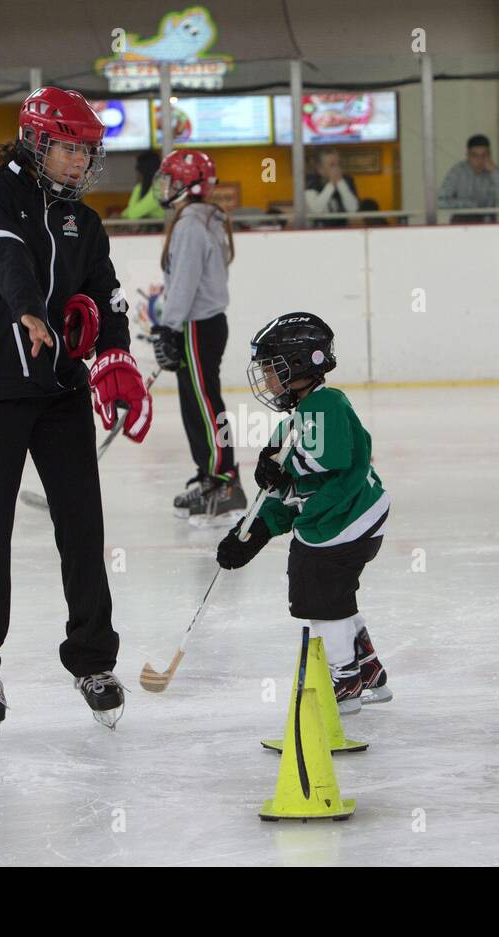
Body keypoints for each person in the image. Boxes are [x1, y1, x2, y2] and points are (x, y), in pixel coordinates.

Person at [0, 87, 152, 740]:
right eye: (70, 149)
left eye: (87, 152)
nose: (79, 163)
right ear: (37, 142)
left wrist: (116, 357)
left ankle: (92, 661)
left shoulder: (82, 222)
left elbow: (108, 294)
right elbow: (6, 259)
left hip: (60, 388)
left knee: (82, 526)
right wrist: (29, 310)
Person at [215, 313, 393, 713]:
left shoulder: (326, 404)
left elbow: (332, 459)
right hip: (344, 521)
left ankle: (343, 682)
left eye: (271, 369)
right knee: (335, 597)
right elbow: (287, 492)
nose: (266, 379)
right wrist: (254, 532)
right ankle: (367, 669)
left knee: (318, 598)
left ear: (299, 365)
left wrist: (285, 467)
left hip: (346, 522)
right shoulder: (298, 416)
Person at [147, 147, 246, 523]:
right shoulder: (206, 218)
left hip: (195, 326)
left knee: (204, 404)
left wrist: (169, 327)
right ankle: (211, 477)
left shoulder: (191, 224)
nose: (166, 186)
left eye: (172, 179)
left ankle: (224, 481)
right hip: (204, 325)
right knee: (198, 403)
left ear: (189, 184)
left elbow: (184, 284)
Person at [437, 134, 499, 223]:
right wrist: (468, 204)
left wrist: (496, 174)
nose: (479, 160)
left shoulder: (497, 174)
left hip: (487, 225)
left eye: (484, 155)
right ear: (467, 155)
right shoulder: (457, 172)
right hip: (461, 224)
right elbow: (440, 202)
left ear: (490, 155)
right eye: (474, 155)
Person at [304, 147, 360, 227]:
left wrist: (341, 183)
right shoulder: (311, 183)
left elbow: (353, 209)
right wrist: (331, 184)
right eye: (332, 165)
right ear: (320, 169)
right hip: (318, 233)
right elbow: (316, 210)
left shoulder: (346, 181)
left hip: (342, 231)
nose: (337, 168)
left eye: (339, 164)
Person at [120, 150, 165, 227]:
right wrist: (122, 215)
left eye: (138, 171)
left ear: (145, 171)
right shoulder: (153, 187)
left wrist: (138, 187)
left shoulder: (159, 189)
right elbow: (130, 212)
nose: (136, 175)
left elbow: (132, 214)